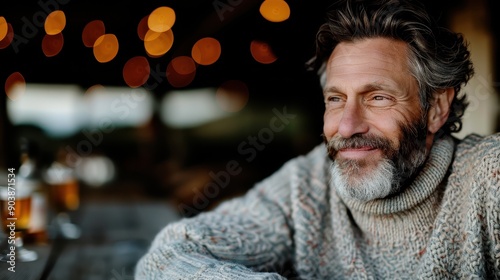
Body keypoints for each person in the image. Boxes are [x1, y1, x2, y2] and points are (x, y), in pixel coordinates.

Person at [135, 0, 500, 278]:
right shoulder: (306, 186)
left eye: (378, 98)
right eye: (336, 100)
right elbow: (166, 257)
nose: (347, 126)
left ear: (436, 108)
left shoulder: (488, 179)